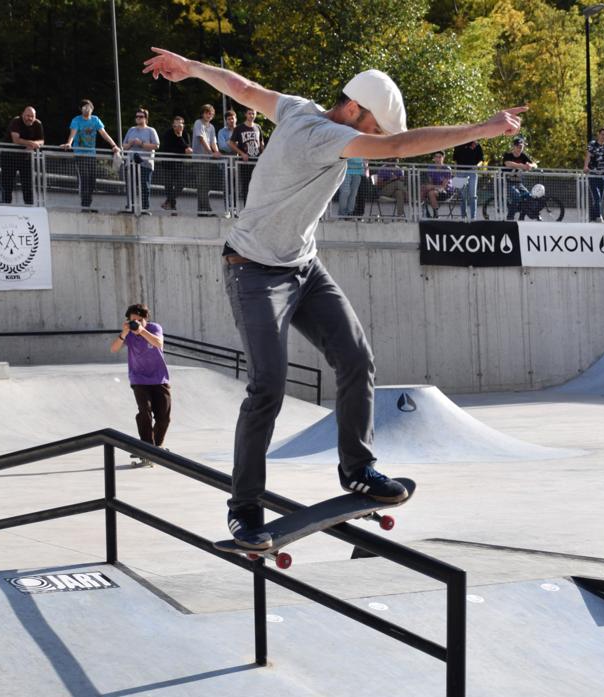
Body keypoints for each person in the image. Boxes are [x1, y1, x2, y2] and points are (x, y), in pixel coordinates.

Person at [141, 46, 525, 550]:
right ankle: (244, 508)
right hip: (254, 272)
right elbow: (399, 147)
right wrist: (481, 129)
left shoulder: (298, 107)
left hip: (303, 266)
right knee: (267, 386)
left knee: (356, 358)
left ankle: (357, 468)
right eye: (372, 129)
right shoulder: (325, 137)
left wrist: (192, 68)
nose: (372, 141)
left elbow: (243, 89)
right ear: (355, 110)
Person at [109, 304, 171, 466]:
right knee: (144, 411)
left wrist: (142, 331)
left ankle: (156, 446)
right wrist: (124, 332)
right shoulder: (128, 333)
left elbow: (158, 343)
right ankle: (146, 448)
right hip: (139, 379)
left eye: (140, 320)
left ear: (146, 319)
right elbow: (114, 349)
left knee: (164, 417)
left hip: (159, 378)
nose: (137, 323)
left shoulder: (154, 328)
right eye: (133, 321)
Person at [61, 100, 120, 211]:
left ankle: (88, 204)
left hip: (91, 155)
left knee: (92, 180)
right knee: (84, 178)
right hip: (80, 154)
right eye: (84, 107)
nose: (87, 110)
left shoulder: (95, 120)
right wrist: (69, 143)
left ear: (92, 109)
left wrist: (114, 145)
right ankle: (85, 206)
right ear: (81, 109)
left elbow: (104, 133)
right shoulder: (76, 120)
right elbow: (73, 133)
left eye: (89, 107)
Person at [2, 106, 44, 205]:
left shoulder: (38, 124)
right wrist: (30, 143)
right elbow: (15, 139)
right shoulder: (16, 121)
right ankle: (5, 206)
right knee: (7, 184)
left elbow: (41, 141)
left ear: (35, 117)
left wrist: (34, 144)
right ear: (22, 115)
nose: (30, 118)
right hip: (9, 157)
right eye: (27, 115)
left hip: (26, 158)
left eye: (32, 116)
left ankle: (29, 207)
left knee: (28, 184)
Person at [122, 108, 160, 212]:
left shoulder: (151, 130)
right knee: (130, 187)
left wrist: (141, 144)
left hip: (145, 163)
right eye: (137, 116)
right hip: (131, 162)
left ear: (146, 118)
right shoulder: (131, 130)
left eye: (141, 116)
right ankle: (131, 207)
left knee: (145, 186)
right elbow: (123, 146)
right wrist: (130, 143)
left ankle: (145, 209)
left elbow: (156, 145)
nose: (138, 118)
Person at [228, 107, 264, 208]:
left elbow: (261, 143)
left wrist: (263, 154)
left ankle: (256, 208)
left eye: (253, 113)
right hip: (245, 162)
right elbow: (231, 143)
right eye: (249, 113)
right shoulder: (239, 128)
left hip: (256, 161)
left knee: (257, 185)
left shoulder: (258, 127)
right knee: (246, 186)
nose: (251, 115)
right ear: (245, 114)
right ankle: (246, 208)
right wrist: (241, 153)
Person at [191, 104, 222, 216]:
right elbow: (201, 139)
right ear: (203, 113)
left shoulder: (212, 127)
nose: (209, 116)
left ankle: (203, 210)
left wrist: (217, 152)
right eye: (207, 113)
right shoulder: (198, 123)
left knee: (205, 185)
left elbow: (213, 142)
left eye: (211, 114)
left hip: (208, 160)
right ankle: (205, 210)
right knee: (201, 185)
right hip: (200, 159)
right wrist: (211, 153)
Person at [160, 114, 192, 213]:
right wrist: (182, 150)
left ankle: (168, 202)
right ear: (172, 125)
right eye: (175, 125)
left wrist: (180, 137)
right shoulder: (168, 133)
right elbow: (166, 148)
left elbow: (188, 149)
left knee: (181, 183)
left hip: (179, 164)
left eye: (179, 125)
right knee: (168, 185)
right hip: (167, 164)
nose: (177, 127)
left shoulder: (185, 134)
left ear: (183, 125)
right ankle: (172, 207)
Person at [501, 136, 536, 219]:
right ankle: (510, 218)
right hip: (507, 182)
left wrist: (530, 165)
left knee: (528, 197)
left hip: (518, 183)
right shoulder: (508, 155)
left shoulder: (523, 156)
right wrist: (521, 166)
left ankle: (521, 217)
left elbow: (535, 164)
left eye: (521, 146)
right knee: (516, 196)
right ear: (514, 146)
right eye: (518, 146)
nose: (520, 148)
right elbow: (508, 163)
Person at [583, 126, 604, 222]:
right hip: (593, 174)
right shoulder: (592, 144)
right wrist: (585, 166)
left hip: (603, 176)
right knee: (596, 196)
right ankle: (598, 216)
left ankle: (594, 217)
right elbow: (588, 156)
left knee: (599, 199)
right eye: (602, 134)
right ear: (598, 135)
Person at [452, 138, 484, 220]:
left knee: (473, 196)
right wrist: (455, 173)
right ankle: (463, 217)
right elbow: (455, 160)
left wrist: (477, 166)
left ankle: (473, 218)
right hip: (460, 172)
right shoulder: (458, 143)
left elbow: (481, 160)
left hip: (472, 172)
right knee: (462, 196)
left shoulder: (477, 145)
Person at [217, 109, 239, 213]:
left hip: (238, 161)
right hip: (226, 162)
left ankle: (235, 209)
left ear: (236, 119)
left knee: (236, 186)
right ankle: (227, 210)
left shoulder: (240, 130)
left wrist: (229, 143)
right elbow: (222, 146)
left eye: (232, 118)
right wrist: (234, 145)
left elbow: (242, 146)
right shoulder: (221, 131)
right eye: (229, 119)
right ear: (226, 120)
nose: (231, 120)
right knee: (227, 186)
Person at [420, 150, 451, 218]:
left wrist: (431, 186)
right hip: (435, 189)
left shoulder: (447, 169)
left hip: (445, 191)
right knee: (422, 188)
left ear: (443, 158)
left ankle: (436, 214)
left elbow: (443, 186)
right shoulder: (431, 167)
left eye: (440, 157)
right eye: (436, 157)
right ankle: (425, 211)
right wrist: (429, 187)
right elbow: (430, 182)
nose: (437, 159)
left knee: (431, 193)